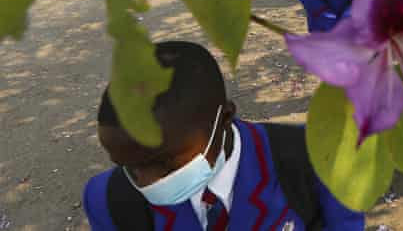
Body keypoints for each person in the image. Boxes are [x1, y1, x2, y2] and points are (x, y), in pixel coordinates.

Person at [83, 41, 365, 230]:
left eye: (166, 162)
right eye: (129, 166)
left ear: (225, 118)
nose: (148, 185)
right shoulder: (108, 201)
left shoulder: (318, 157)